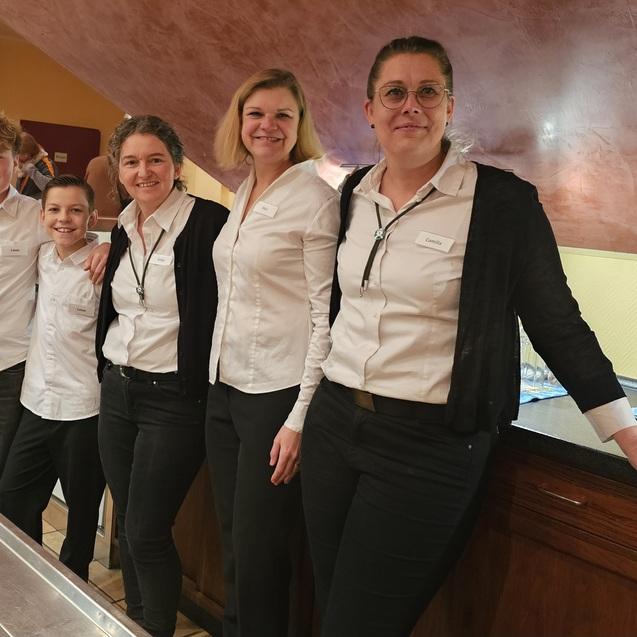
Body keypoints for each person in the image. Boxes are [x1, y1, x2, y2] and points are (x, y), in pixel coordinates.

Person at [300, 36, 637, 637]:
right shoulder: (353, 193)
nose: (411, 105)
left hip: (426, 445)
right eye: (394, 93)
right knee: (332, 603)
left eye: (427, 91)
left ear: (450, 107)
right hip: (334, 424)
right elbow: (334, 307)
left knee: (359, 624)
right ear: (370, 110)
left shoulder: (502, 203)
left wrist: (626, 431)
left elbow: (557, 323)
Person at [207, 68, 339, 637]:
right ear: (239, 122)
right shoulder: (243, 191)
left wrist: (299, 418)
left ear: (299, 124)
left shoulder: (315, 201)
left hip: (276, 397)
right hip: (224, 387)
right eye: (256, 113)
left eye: (283, 114)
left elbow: (324, 317)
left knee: (260, 553)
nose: (268, 125)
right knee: (235, 543)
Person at [95, 114, 228, 637]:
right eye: (131, 162)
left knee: (147, 529)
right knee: (129, 522)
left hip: (174, 397)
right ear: (118, 170)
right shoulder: (124, 226)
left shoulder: (209, 223)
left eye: (155, 159)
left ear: (176, 164)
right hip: (118, 388)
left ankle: (154, 628)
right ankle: (133, 620)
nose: (143, 171)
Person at [0, 175, 105, 581]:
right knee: (12, 497)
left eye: (76, 210)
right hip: (35, 403)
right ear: (41, 216)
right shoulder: (42, 255)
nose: (65, 218)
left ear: (91, 218)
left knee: (82, 513)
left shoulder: (102, 268)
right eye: (56, 210)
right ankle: (33, 578)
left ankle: (72, 585)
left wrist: (110, 246)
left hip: (83, 409)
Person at [0, 113, 107, 480]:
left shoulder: (35, 215)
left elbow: (77, 233)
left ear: (16, 161)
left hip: (10, 366)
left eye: (0, 157)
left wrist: (108, 246)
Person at [17, 131, 57, 199]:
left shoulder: (45, 162)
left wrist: (32, 171)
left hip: (38, 204)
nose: (17, 157)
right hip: (25, 203)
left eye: (19, 153)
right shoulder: (25, 163)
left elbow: (51, 188)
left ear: (27, 154)